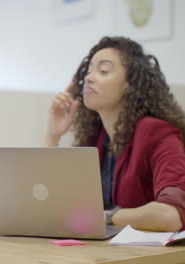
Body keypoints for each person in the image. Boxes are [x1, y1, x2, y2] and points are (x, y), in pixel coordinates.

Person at [45, 36, 185, 232]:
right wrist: (53, 136)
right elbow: (51, 202)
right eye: (89, 70)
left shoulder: (157, 133)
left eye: (103, 71)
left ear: (130, 83)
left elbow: (171, 215)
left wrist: (106, 216)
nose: (89, 77)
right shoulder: (97, 138)